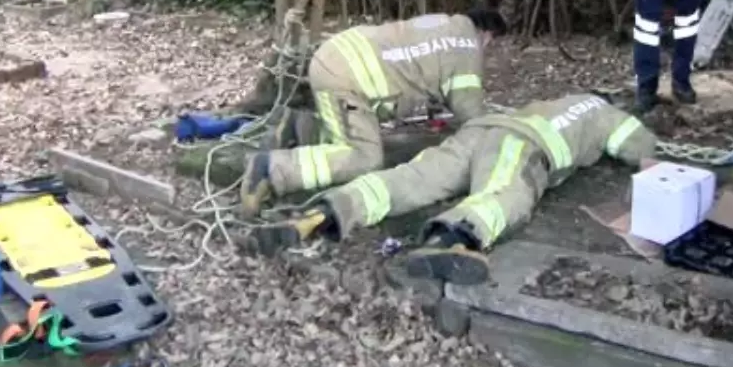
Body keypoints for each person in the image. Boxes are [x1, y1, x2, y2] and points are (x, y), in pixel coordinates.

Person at [244, 93, 659, 286]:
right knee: (505, 195)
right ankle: (450, 240)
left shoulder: (558, 100)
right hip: (521, 145)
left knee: (408, 179)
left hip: (480, 130)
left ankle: (323, 213)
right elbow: (639, 146)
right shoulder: (605, 112)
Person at [237, 7, 508, 219]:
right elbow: (471, 113)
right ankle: (272, 169)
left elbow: (414, 64)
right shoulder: (467, 47)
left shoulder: (443, 24)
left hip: (336, 53)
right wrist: (494, 134)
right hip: (345, 78)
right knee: (364, 157)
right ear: (486, 34)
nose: (487, 50)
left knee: (350, 127)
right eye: (490, 44)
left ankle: (299, 125)